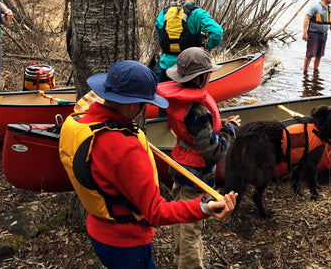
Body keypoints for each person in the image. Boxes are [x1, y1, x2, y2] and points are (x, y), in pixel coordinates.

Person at [59, 60, 238, 269]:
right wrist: (204, 207)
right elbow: (156, 212)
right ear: (133, 105)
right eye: (145, 104)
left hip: (99, 232)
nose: (144, 109)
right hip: (126, 243)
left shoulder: (78, 121)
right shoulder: (125, 148)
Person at [157, 47, 241, 269]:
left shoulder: (179, 101)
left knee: (181, 219)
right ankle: (191, 266)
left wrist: (220, 127)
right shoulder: (197, 111)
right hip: (195, 176)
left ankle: (180, 260)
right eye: (209, 73)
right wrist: (231, 129)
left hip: (180, 167)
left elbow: (197, 135)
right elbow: (214, 152)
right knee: (192, 228)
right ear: (201, 77)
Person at [155, 0, 223, 83]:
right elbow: (217, 32)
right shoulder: (198, 14)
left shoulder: (164, 13)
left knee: (165, 97)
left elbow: (160, 34)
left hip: (166, 68)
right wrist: (208, 49)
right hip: (191, 70)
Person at [302, 0, 331, 72]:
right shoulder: (315, 6)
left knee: (319, 54)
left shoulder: (330, 9)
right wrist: (305, 33)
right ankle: (305, 71)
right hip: (313, 34)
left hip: (324, 34)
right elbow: (306, 19)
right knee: (310, 54)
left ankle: (315, 70)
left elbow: (330, 22)